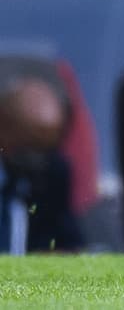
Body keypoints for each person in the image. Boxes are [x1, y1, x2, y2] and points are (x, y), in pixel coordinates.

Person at [0, 78, 84, 254]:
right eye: (26, 148)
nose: (35, 161)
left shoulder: (52, 173)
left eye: (44, 150)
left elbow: (66, 241)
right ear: (4, 126)